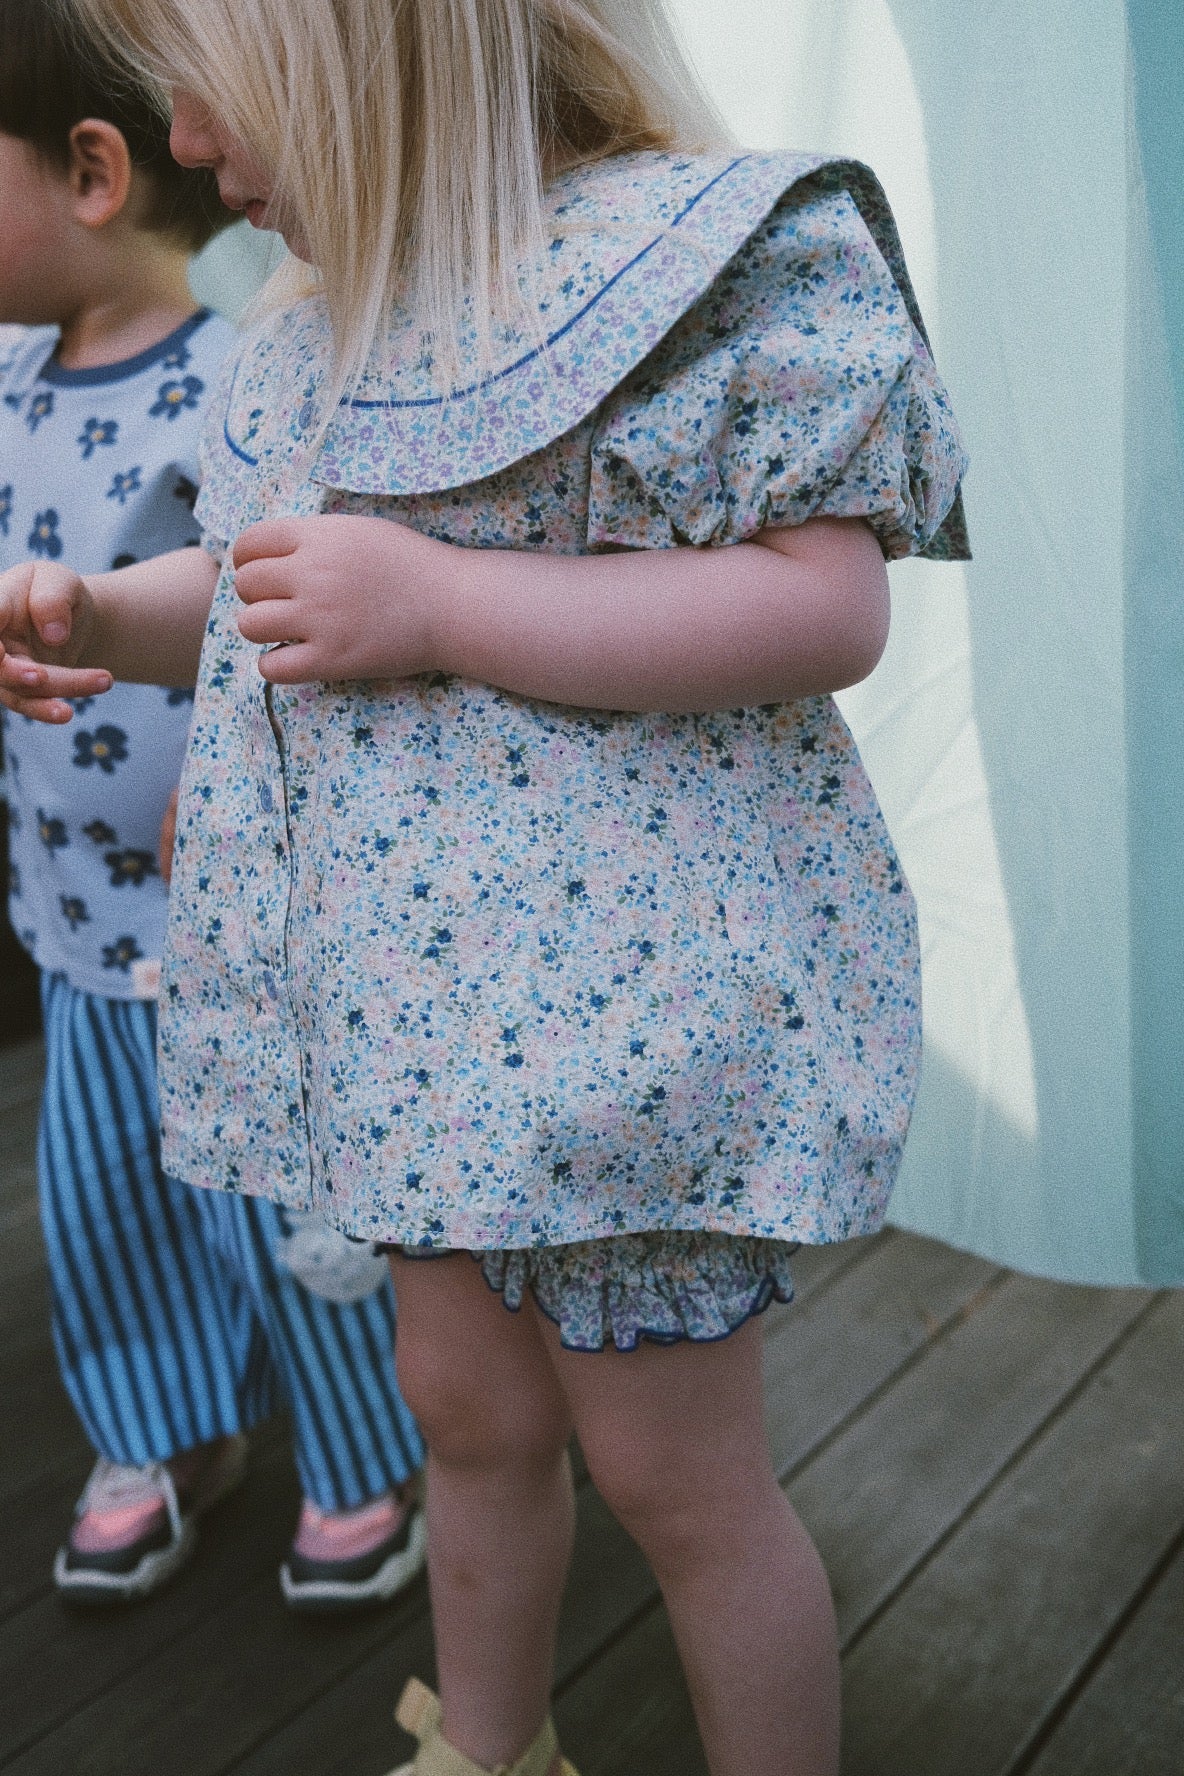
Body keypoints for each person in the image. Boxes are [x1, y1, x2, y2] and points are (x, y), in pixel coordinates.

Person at [0, 0, 969, 1769]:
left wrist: (446, 605)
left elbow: (825, 604)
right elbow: (269, 588)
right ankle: (487, 1747)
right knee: (461, 1417)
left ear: (350, 59)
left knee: (680, 1481)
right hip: (421, 1039)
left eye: (207, 96)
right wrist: (106, 619)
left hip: (628, 1046)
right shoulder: (307, 325)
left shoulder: (679, 269)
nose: (189, 149)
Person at [0, 0, 426, 1612]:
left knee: (284, 1202)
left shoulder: (241, 374)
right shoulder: (7, 378)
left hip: (238, 922)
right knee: (107, 1194)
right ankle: (163, 1431)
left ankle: (365, 1447)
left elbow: (285, 619)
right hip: (71, 912)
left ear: (95, 171)